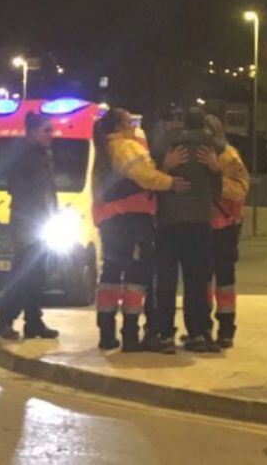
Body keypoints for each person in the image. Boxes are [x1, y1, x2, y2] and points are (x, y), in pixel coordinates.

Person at [91, 108, 188, 352]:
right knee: (135, 279)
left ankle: (106, 331)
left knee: (110, 276)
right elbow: (145, 176)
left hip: (112, 220)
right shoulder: (127, 147)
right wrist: (170, 181)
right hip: (133, 221)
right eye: (129, 121)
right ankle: (131, 335)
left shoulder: (106, 149)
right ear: (119, 126)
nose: (132, 125)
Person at [150, 107, 223, 353]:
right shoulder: (211, 147)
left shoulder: (167, 145)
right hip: (200, 221)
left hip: (170, 221)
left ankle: (164, 335)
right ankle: (199, 333)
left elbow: (154, 179)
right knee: (197, 280)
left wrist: (166, 168)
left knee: (167, 280)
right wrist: (215, 168)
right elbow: (217, 191)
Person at [0, 112, 62, 341]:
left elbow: (48, 190)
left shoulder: (43, 154)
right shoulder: (23, 154)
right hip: (28, 223)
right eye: (47, 130)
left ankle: (33, 322)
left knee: (37, 276)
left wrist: (54, 213)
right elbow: (22, 191)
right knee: (23, 275)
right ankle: (4, 321)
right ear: (32, 131)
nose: (52, 135)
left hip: (41, 222)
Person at [206, 114, 251, 349]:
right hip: (203, 225)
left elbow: (241, 189)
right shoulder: (198, 156)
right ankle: (203, 327)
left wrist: (215, 177)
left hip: (225, 225)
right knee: (203, 279)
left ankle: (226, 329)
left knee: (224, 280)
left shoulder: (229, 157)